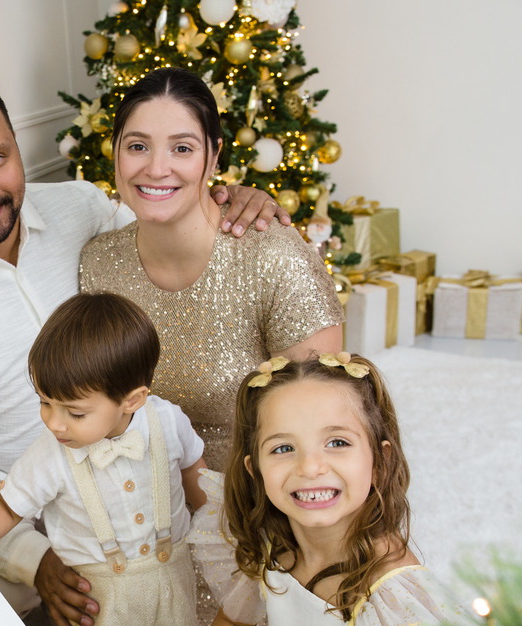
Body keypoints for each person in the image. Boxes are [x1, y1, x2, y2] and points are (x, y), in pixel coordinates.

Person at [0, 72, 287, 626]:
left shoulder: (80, 209)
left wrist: (227, 197)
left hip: (142, 485)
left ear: (17, 146)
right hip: (30, 521)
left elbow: (167, 234)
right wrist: (33, 559)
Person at [147, 353, 466, 626]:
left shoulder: (396, 593)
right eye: (283, 448)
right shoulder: (269, 543)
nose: (310, 466)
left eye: (337, 442)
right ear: (254, 469)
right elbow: (234, 624)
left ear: (380, 458)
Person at [0, 293, 207, 626]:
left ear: (132, 400)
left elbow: (195, 469)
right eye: (44, 403)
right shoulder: (50, 453)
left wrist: (218, 520)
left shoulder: (166, 421)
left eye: (74, 413)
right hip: (98, 598)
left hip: (171, 587)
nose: (55, 424)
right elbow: (8, 508)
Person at [80, 68, 345, 472]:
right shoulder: (98, 263)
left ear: (214, 155)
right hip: (138, 500)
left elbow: (323, 424)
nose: (156, 168)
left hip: (256, 500)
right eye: (137, 146)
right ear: (114, 152)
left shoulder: (271, 255)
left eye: (182, 149)